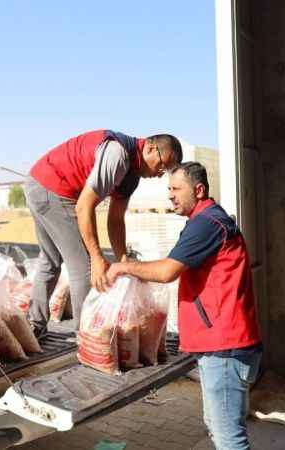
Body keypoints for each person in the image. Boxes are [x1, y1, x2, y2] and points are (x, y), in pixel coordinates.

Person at [106, 162, 262, 450]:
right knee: (218, 428)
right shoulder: (206, 221)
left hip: (224, 347)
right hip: (221, 344)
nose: (171, 196)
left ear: (199, 190)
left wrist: (122, 268)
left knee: (230, 439)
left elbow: (167, 272)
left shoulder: (207, 224)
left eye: (177, 189)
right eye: (169, 189)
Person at [25, 129, 182, 335]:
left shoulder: (132, 177)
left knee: (50, 260)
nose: (160, 173)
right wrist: (97, 257)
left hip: (38, 183)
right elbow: (84, 206)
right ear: (150, 148)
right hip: (53, 188)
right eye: (161, 164)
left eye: (166, 171)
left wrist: (124, 261)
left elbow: (116, 220)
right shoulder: (118, 155)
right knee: (87, 267)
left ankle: (34, 326)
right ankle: (87, 337)